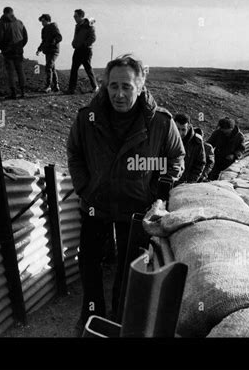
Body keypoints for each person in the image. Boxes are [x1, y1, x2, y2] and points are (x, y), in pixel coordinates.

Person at [67, 54, 185, 334]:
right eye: (113, 86)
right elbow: (75, 153)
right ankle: (91, 310)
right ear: (105, 86)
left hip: (136, 207)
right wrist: (85, 186)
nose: (119, 94)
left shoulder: (159, 122)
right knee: (89, 260)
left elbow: (176, 156)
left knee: (128, 266)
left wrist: (160, 187)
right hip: (96, 204)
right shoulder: (87, 118)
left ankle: (120, 316)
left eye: (127, 87)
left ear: (141, 86)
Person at [0, 7, 28, 99]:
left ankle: (13, 94)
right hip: (19, 51)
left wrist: (2, 49)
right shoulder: (20, 23)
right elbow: (25, 37)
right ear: (12, 13)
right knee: (20, 70)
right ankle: (22, 92)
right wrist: (20, 46)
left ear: (4, 13)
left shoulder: (2, 24)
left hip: (8, 52)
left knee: (11, 72)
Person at [67, 9, 98, 94]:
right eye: (74, 16)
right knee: (74, 69)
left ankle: (95, 86)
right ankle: (71, 89)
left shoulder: (89, 25)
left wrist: (84, 45)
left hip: (86, 50)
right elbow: (77, 37)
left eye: (75, 16)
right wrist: (74, 43)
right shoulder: (77, 26)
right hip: (77, 50)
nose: (74, 17)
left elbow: (93, 38)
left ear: (81, 16)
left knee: (88, 68)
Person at [174, 114, 206, 184]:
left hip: (184, 182)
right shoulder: (168, 138)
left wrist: (192, 181)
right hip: (167, 179)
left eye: (183, 129)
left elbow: (200, 163)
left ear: (188, 127)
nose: (180, 133)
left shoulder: (197, 142)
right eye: (177, 129)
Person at [36, 14, 62, 93]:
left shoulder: (53, 27)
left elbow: (59, 37)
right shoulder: (44, 29)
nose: (42, 23)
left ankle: (48, 86)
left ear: (48, 20)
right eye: (41, 21)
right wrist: (39, 49)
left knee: (48, 67)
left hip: (54, 50)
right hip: (48, 51)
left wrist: (53, 42)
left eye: (43, 21)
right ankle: (56, 86)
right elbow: (43, 41)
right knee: (52, 68)